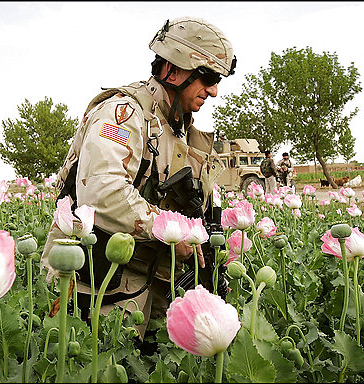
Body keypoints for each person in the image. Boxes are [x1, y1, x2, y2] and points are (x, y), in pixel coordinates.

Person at [41, 17, 236, 338]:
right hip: (102, 282)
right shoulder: (123, 114)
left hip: (156, 279)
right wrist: (174, 231)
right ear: (173, 70)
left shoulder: (178, 129)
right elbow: (101, 192)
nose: (214, 91)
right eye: (208, 77)